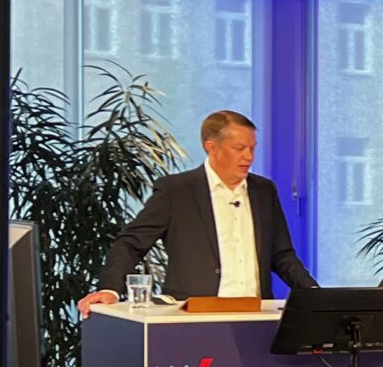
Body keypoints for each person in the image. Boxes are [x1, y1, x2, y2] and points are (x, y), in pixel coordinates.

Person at [78, 109, 316, 313]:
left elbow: (281, 255)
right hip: (193, 317)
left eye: (252, 148)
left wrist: (315, 295)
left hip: (254, 315)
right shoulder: (176, 191)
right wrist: (110, 289)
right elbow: (131, 243)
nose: (249, 156)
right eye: (240, 148)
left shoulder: (264, 190)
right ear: (212, 148)